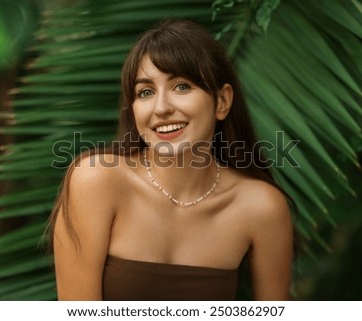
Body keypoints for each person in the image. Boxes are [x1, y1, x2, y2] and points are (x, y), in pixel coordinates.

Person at [49, 19, 293, 301]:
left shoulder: (261, 207)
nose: (162, 108)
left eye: (182, 86)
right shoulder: (96, 181)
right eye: (146, 92)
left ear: (223, 102)